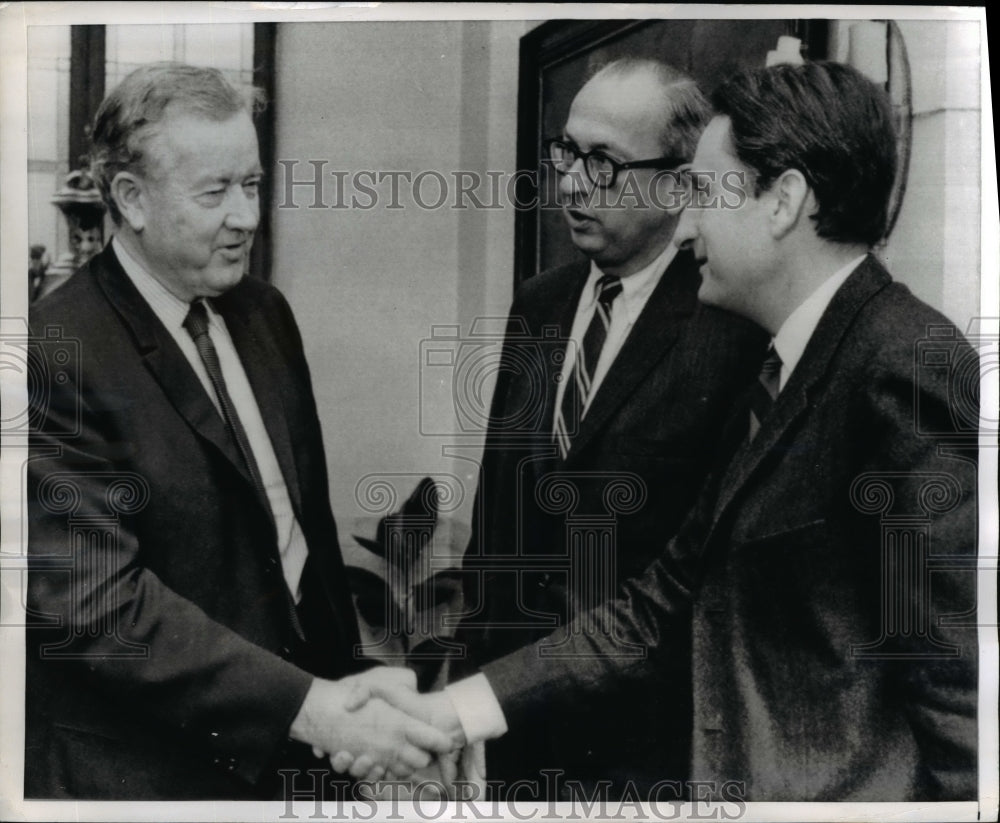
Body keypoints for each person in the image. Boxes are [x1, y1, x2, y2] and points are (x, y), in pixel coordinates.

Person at [375, 61, 980, 801]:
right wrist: (461, 708)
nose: (686, 223)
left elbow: (960, 697)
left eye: (703, 192)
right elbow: (662, 600)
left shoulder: (901, 363)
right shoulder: (797, 359)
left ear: (784, 201)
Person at [25, 62, 453, 800]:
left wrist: (349, 690)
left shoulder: (264, 313)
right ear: (130, 198)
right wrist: (312, 709)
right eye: (215, 191)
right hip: (149, 778)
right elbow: (99, 606)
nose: (247, 216)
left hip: (295, 758)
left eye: (251, 185)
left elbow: (300, 539)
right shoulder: (51, 349)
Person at [451, 57, 766, 796]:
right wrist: (464, 685)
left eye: (603, 164)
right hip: (512, 727)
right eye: (567, 153)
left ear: (678, 184)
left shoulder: (730, 326)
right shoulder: (539, 302)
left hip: (645, 751)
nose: (571, 183)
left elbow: (708, 580)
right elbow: (496, 518)